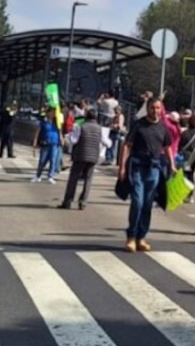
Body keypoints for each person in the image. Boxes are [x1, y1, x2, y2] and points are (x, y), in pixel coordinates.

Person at [118, 97, 174, 253]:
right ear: (148, 108)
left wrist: (172, 165)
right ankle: (131, 237)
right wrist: (122, 167)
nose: (155, 111)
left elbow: (168, 147)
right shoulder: (139, 125)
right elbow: (127, 146)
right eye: (152, 108)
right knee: (137, 201)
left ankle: (141, 237)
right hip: (137, 167)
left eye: (158, 108)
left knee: (148, 204)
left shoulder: (163, 127)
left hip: (154, 169)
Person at [59, 108, 110, 210]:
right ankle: (83, 202)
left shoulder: (80, 126)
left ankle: (68, 201)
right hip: (93, 157)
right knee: (88, 179)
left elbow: (74, 140)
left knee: (73, 178)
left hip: (80, 155)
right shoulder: (99, 128)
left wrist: (69, 137)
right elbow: (107, 143)